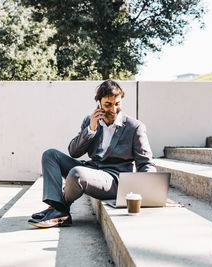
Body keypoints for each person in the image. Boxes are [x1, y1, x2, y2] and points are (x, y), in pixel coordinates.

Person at [28, 79, 156, 228]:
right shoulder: (90, 121)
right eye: (108, 104)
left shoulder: (135, 127)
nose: (113, 109)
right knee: (50, 155)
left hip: (114, 179)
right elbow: (74, 152)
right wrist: (91, 130)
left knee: (77, 174)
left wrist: (149, 192)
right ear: (99, 104)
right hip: (92, 169)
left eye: (117, 103)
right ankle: (57, 208)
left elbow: (146, 163)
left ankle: (58, 211)